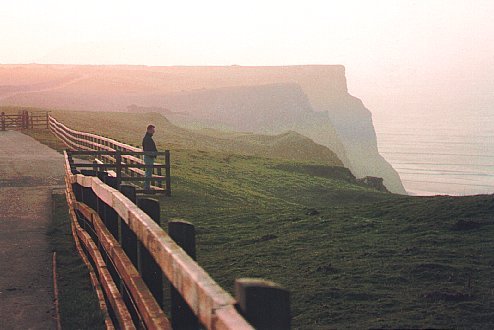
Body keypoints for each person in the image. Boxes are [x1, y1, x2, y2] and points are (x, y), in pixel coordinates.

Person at [142, 124, 157, 190]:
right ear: (148, 130)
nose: (153, 131)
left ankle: (147, 186)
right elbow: (148, 149)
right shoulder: (147, 139)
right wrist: (153, 154)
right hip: (149, 157)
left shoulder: (147, 138)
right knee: (148, 173)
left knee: (148, 172)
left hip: (148, 157)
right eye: (152, 130)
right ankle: (146, 187)